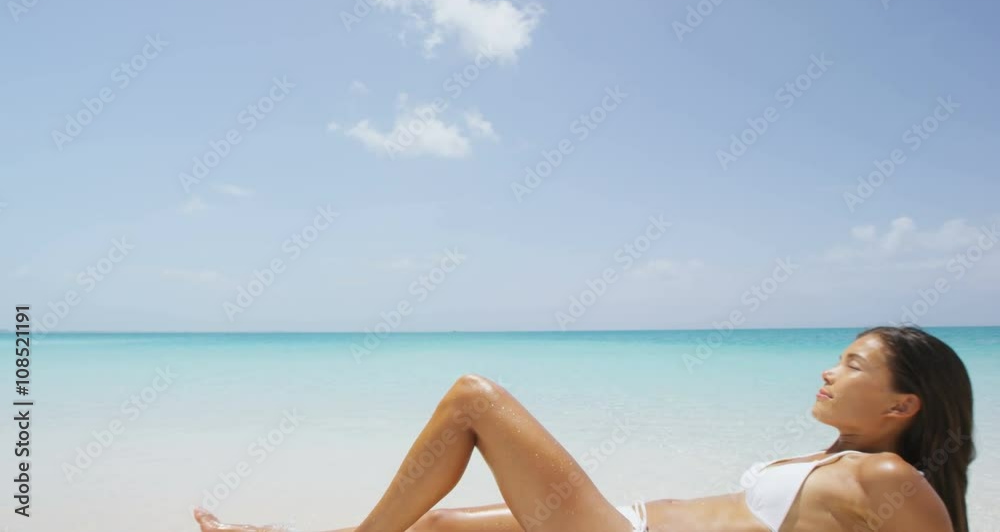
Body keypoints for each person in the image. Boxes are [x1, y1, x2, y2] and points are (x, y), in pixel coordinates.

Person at [194, 326, 974, 532]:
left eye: (852, 362)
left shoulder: (888, 479)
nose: (829, 371)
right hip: (624, 517)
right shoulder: (839, 459)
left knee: (474, 398)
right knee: (433, 524)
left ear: (904, 404)